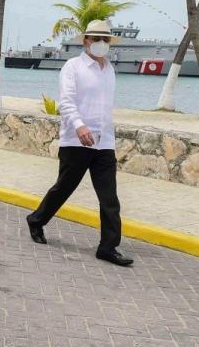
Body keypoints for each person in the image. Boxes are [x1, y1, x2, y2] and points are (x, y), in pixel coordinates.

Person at [25, 19, 133, 267]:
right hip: (77, 140)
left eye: (105, 40)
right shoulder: (72, 67)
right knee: (63, 188)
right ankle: (37, 220)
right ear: (86, 40)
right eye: (97, 39)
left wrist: (107, 135)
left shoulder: (109, 70)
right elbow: (66, 101)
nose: (101, 44)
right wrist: (80, 126)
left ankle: (108, 247)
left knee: (110, 198)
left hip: (104, 143)